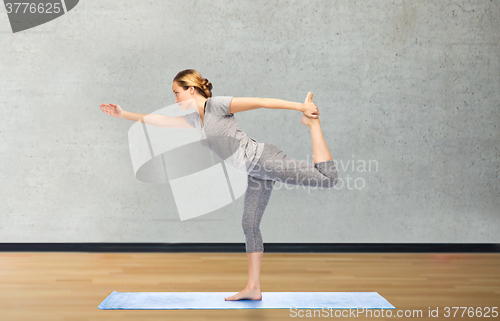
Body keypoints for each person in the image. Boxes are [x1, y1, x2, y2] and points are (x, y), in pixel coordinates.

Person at [100, 69, 338, 301]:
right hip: (255, 172)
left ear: (191, 89)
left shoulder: (217, 106)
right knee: (249, 224)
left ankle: (312, 125)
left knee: (327, 179)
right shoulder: (196, 120)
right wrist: (124, 114)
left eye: (176, 92)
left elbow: (261, 102)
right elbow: (162, 121)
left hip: (265, 160)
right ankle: (253, 288)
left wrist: (302, 107)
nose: (174, 99)